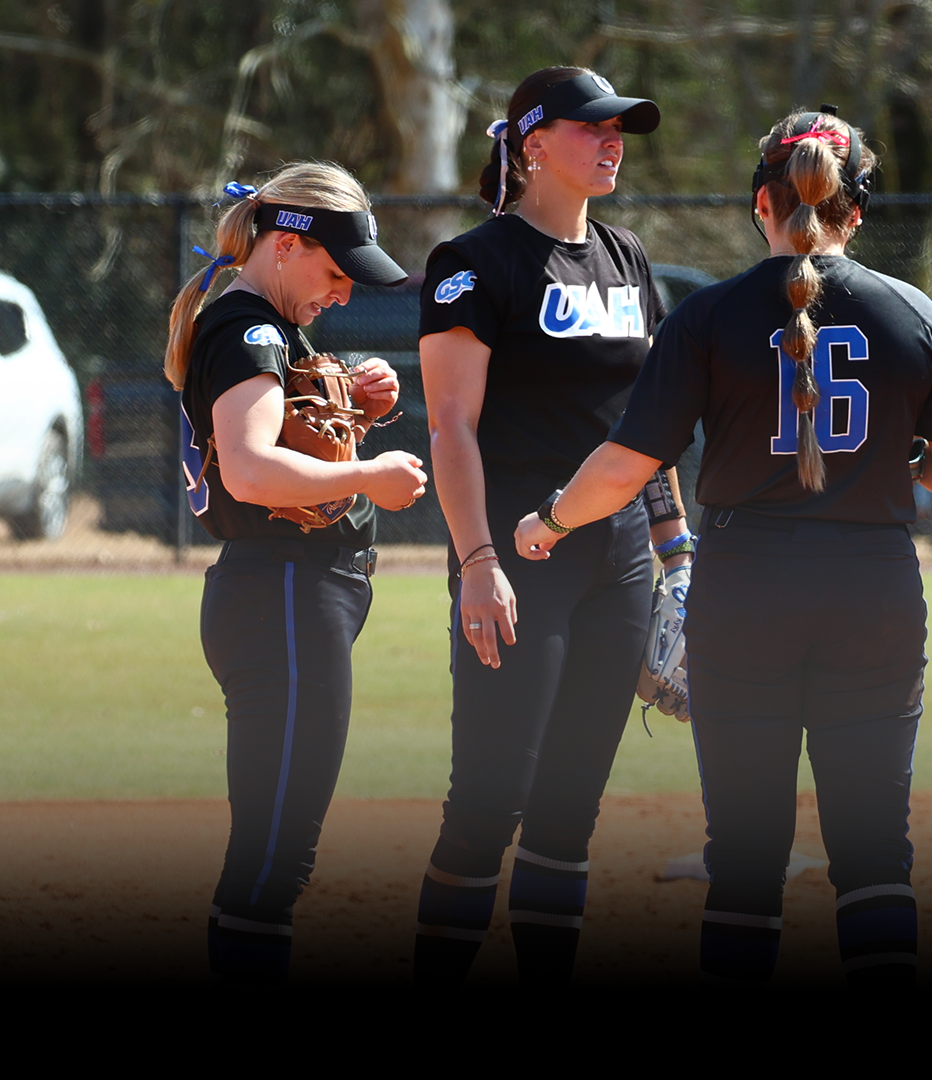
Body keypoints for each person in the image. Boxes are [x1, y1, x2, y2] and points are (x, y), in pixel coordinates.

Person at [514, 106, 932, 987]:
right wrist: (897, 452)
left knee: (743, 859)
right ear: (856, 212)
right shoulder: (917, 313)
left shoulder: (708, 318)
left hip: (746, 587)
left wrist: (549, 521)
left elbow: (627, 464)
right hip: (873, 587)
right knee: (876, 859)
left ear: (760, 204)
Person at [410, 66, 688, 989]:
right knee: (489, 801)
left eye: (620, 130)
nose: (612, 142)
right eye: (591, 128)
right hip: (512, 555)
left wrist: (674, 554)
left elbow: (645, 432)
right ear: (533, 144)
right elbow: (450, 425)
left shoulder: (627, 257)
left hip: (615, 564)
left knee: (569, 810)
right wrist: (476, 560)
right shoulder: (474, 263)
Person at [164, 164, 425, 981]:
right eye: (335, 273)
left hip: (282, 595)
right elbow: (248, 471)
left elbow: (282, 430)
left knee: (271, 854)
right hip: (282, 596)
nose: (344, 293)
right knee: (275, 860)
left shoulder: (262, 325)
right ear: (285, 245)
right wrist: (367, 474)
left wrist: (354, 400)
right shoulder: (250, 330)